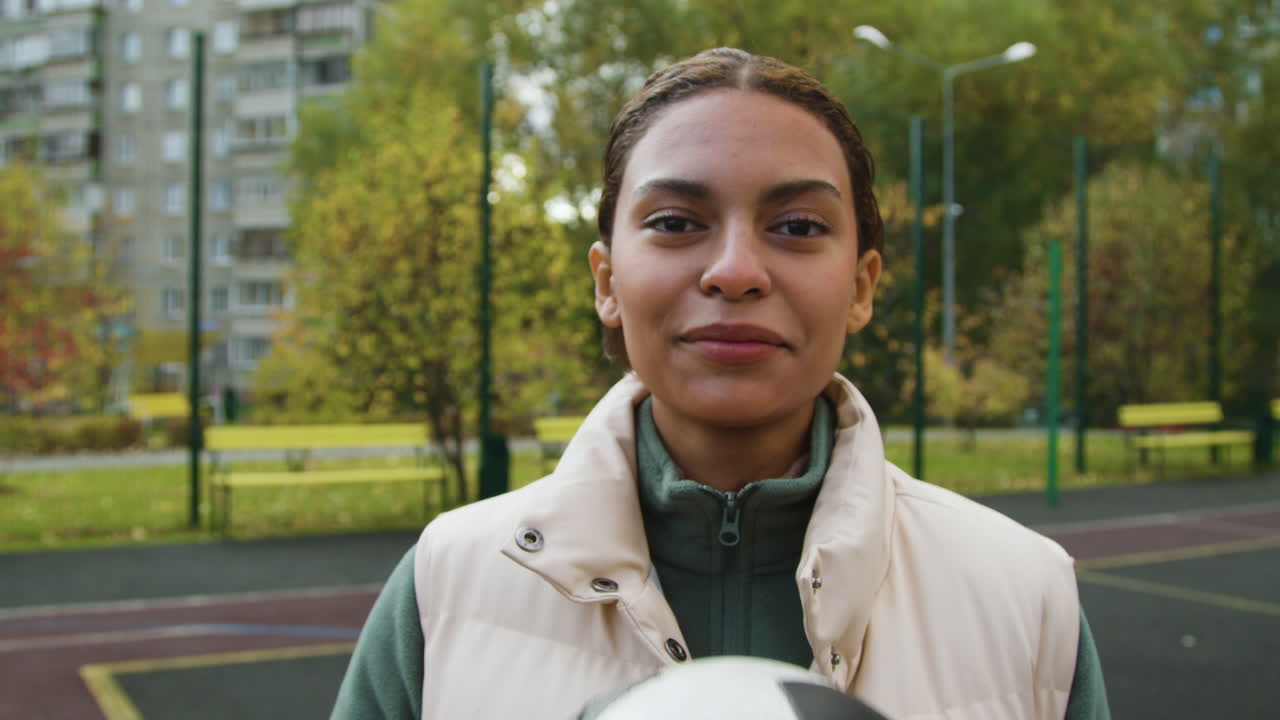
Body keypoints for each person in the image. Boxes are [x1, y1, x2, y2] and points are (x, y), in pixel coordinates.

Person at [331, 47, 1109, 720]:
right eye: (674, 221)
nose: (735, 270)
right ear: (606, 280)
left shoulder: (1024, 594)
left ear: (863, 286)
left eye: (798, 227)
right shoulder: (449, 583)